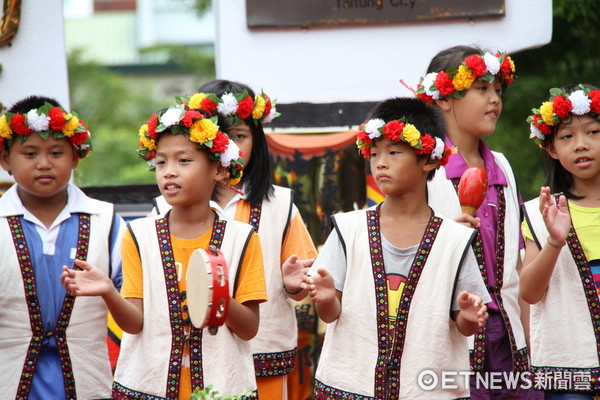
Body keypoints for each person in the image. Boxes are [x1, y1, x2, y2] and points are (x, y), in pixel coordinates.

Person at [284, 97, 490, 399]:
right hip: (350, 387)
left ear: (429, 159)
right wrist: (326, 298)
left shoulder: (455, 240)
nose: (381, 162)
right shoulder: (348, 229)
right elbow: (330, 314)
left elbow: (464, 323)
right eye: (375, 153)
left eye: (394, 152)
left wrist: (470, 318)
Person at [61, 103, 267, 398]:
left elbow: (248, 329)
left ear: (219, 168)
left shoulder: (243, 238)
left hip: (222, 387)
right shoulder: (139, 235)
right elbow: (134, 323)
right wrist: (108, 291)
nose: (169, 172)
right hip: (147, 386)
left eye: (184, 160)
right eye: (160, 163)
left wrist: (217, 297)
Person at [153, 80, 318, 399]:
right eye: (219, 136)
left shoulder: (280, 205)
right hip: (194, 356)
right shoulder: (164, 209)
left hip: (263, 353)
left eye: (239, 136)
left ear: (257, 141)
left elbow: (300, 286)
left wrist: (292, 284)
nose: (228, 147)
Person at [418, 45, 531, 399]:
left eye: (497, 90)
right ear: (444, 99)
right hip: (452, 337)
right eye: (482, 89)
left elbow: (516, 264)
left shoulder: (502, 165)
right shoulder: (424, 168)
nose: (494, 99)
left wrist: (531, 347)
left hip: (509, 338)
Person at [0, 95, 125, 399]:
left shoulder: (106, 220)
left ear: (75, 157)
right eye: (29, 153)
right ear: (5, 159)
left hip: (90, 381)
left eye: (56, 152)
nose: (44, 163)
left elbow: (134, 307)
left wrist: (107, 289)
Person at [521, 84, 600, 399]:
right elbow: (528, 292)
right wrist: (554, 242)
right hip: (570, 373)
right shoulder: (540, 214)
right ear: (551, 148)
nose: (581, 145)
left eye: (593, 132)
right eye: (567, 137)